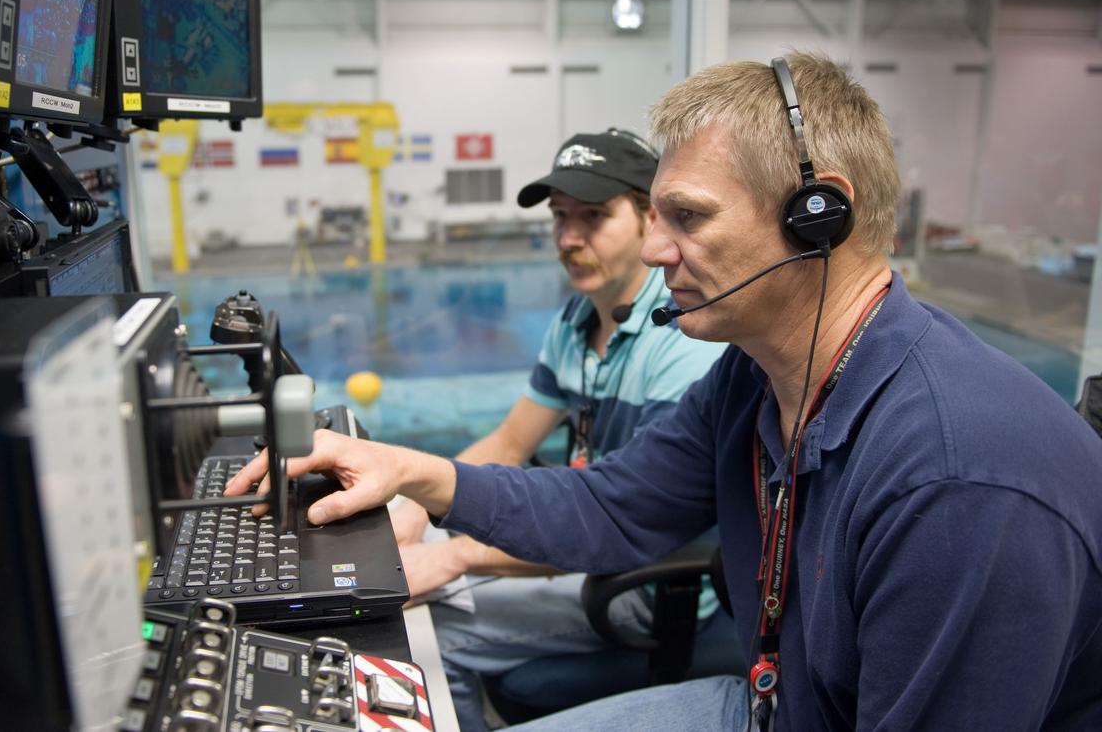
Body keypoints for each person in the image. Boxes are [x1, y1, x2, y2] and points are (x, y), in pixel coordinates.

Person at [227, 53, 1102, 731]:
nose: (652, 252)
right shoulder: (757, 379)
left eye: (686, 217)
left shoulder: (959, 483)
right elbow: (614, 508)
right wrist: (410, 471)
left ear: (817, 217)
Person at [389, 129, 726, 731]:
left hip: (638, 580)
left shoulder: (683, 345)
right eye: (560, 217)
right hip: (581, 536)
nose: (569, 239)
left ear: (651, 219)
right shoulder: (576, 320)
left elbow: (624, 522)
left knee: (425, 631)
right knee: (402, 562)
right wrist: (418, 502)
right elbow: (511, 443)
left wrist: (456, 557)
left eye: (593, 217)